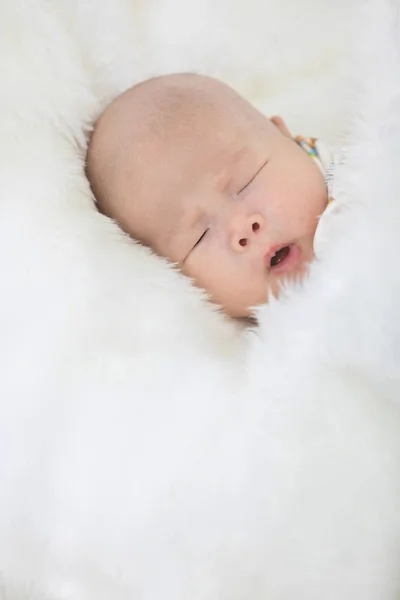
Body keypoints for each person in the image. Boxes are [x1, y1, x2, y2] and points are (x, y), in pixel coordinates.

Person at [87, 73, 333, 318]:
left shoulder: (362, 176)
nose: (242, 228)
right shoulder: (238, 348)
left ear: (284, 135)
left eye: (246, 182)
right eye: (200, 237)